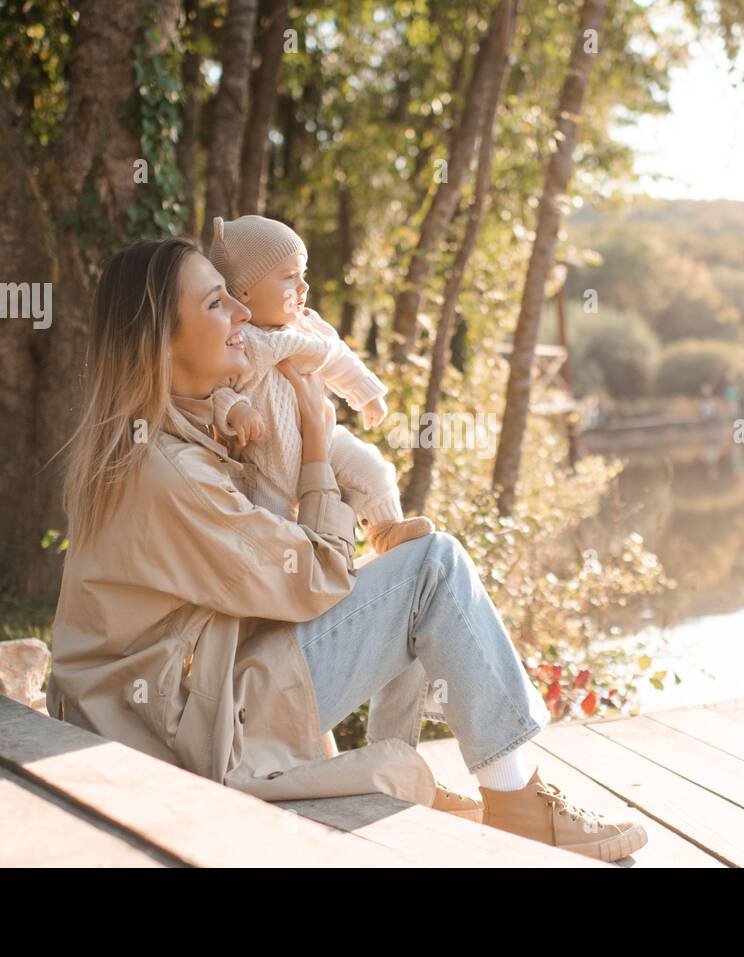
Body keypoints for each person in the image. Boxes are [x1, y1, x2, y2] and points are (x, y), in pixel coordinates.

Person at [45, 235, 648, 862]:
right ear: (162, 341)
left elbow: (274, 577)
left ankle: (486, 785)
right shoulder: (168, 473)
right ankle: (518, 800)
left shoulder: (165, 439)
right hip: (195, 735)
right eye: (218, 304)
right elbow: (316, 577)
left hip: (177, 709)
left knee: (407, 569)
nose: (245, 314)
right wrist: (314, 442)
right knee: (430, 569)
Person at [203, 214, 434, 554]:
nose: (303, 287)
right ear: (245, 290)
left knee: (371, 466)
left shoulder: (307, 327)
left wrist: (367, 393)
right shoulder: (238, 341)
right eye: (289, 276)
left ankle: (385, 530)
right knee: (275, 528)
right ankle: (296, 579)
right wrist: (236, 409)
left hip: (324, 440)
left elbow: (338, 356)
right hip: (266, 459)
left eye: (304, 275)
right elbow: (215, 389)